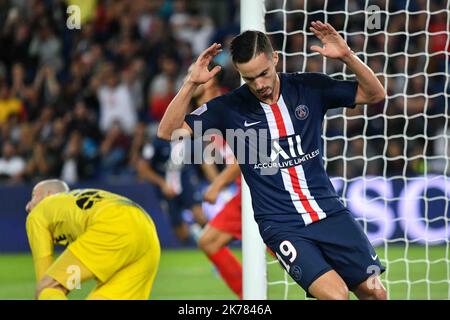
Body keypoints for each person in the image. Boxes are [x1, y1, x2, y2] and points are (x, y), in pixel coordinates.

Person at [158, 21, 387, 300]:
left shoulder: (308, 88)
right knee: (336, 296)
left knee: (375, 293)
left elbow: (375, 94)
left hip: (330, 212)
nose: (260, 85)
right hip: (281, 225)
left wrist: (348, 56)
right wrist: (190, 82)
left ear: (275, 58)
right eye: (250, 78)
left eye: (264, 74)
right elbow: (168, 131)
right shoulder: (230, 108)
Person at [25, 179, 160, 300]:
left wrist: (51, 287)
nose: (27, 206)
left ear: (48, 195)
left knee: (46, 288)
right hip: (147, 230)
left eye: (33, 196)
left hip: (112, 223)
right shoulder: (73, 205)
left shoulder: (38, 212)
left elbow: (45, 277)